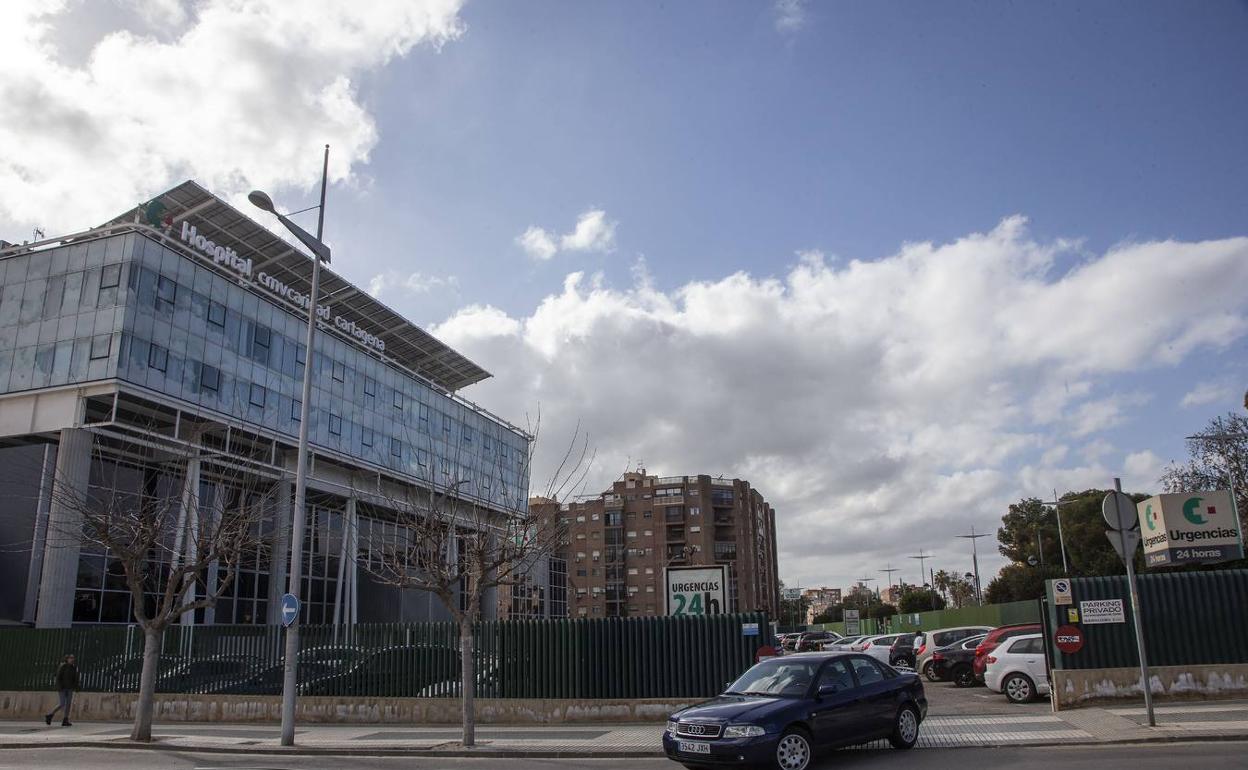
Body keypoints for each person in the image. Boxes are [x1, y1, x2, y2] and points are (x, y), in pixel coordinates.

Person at [45, 654, 78, 727]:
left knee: (68, 704)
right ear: (67, 659)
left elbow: (75, 678)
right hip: (62, 688)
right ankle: (50, 715)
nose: (72, 659)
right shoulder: (63, 666)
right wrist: (60, 686)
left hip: (70, 688)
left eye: (73, 658)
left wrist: (76, 686)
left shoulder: (73, 667)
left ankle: (65, 719)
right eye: (70, 658)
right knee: (62, 703)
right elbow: (58, 677)